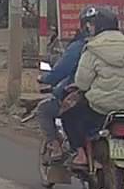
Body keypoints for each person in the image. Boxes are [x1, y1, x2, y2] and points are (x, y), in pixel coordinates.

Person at [63, 5, 124, 168]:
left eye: (90, 25)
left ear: (96, 27)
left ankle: (81, 155)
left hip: (101, 107)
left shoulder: (92, 48)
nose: (89, 29)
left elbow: (82, 83)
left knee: (69, 113)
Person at [35, 28, 88, 161]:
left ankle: (56, 147)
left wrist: (45, 79)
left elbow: (61, 71)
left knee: (45, 110)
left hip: (87, 97)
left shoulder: (82, 47)